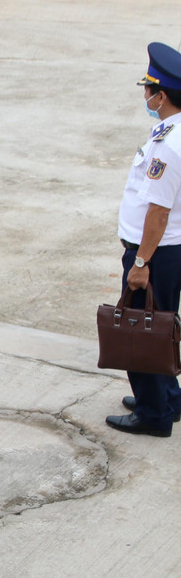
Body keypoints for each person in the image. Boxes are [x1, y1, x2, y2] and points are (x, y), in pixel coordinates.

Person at [109, 42, 181, 437]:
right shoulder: (173, 132)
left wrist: (140, 263)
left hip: (155, 254)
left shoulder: (168, 146)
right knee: (162, 324)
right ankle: (167, 398)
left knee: (142, 330)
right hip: (168, 251)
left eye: (148, 90)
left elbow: (158, 212)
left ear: (162, 95)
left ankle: (154, 415)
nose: (145, 96)